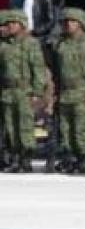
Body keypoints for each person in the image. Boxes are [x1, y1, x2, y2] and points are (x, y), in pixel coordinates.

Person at [53, 7, 85, 173]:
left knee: (82, 130)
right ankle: (71, 158)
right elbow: (56, 70)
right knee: (65, 129)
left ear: (80, 23)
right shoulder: (60, 43)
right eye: (65, 21)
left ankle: (84, 159)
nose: (67, 24)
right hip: (65, 93)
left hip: (81, 92)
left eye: (71, 21)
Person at [0, 10, 47, 173]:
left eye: (13, 23)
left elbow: (38, 69)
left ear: (21, 25)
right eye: (8, 24)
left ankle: (26, 158)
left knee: (25, 126)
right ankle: (15, 157)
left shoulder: (31, 43)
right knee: (10, 126)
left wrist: (38, 92)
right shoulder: (4, 45)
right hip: (8, 91)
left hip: (25, 91)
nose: (10, 26)